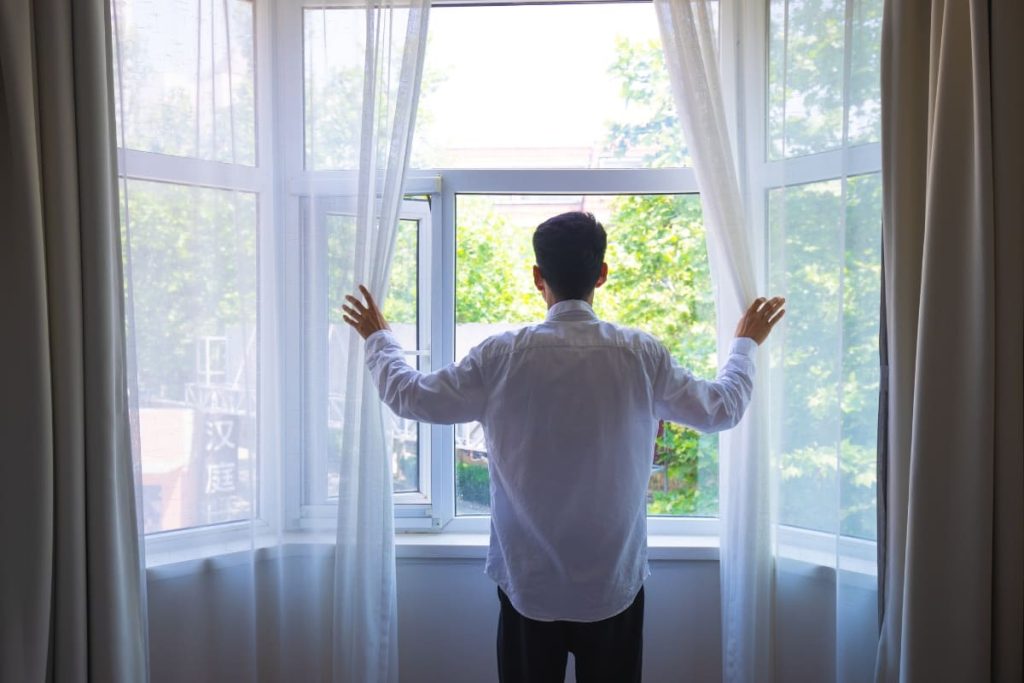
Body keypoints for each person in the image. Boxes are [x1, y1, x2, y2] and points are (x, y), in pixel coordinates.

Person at [342, 211, 785, 683]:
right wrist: (744, 345)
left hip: (529, 587)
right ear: (602, 273)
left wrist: (378, 339)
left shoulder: (501, 356)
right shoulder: (639, 354)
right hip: (612, 587)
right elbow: (721, 409)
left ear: (538, 277)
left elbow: (412, 396)